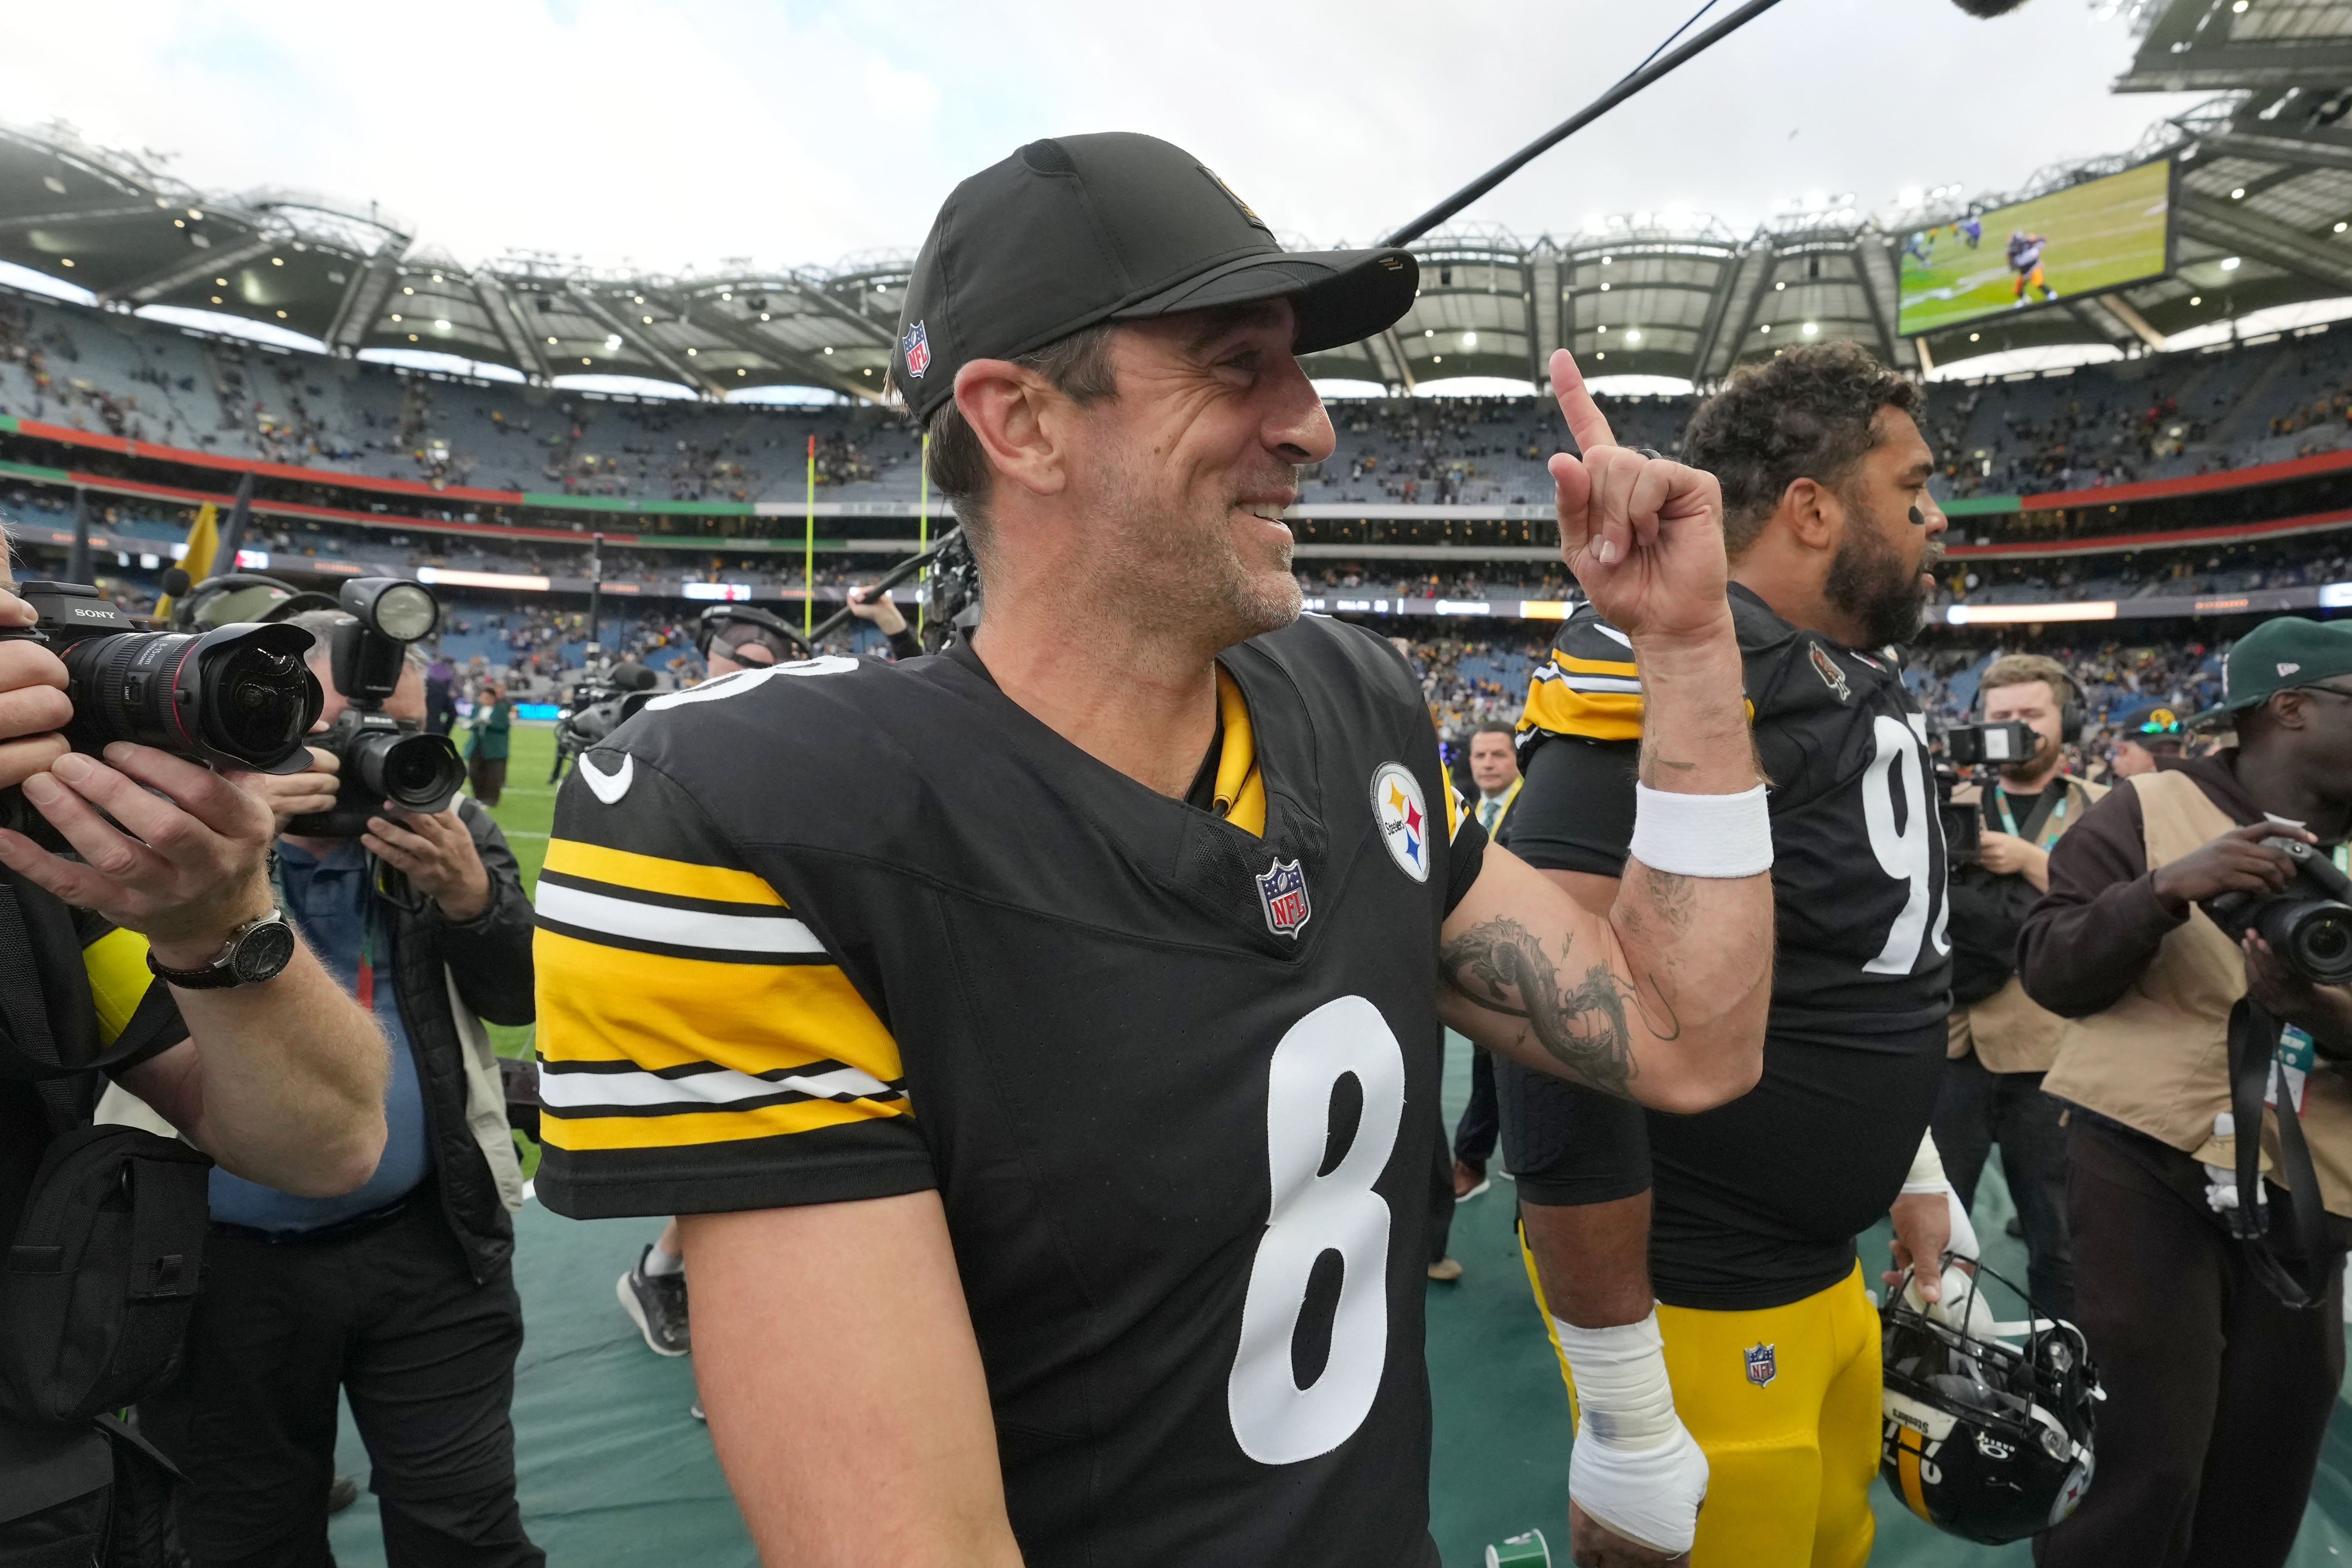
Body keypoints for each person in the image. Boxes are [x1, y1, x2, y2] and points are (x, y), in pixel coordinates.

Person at [534, 131, 1775, 1568]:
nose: (1312, 426)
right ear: (1021, 420)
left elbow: (1684, 1034)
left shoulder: (1349, 704)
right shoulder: (760, 815)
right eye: (1237, 365)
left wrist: (1686, 647)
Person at [1497, 341, 1962, 1568]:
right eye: (1911, 487)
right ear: (1811, 508)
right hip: (1701, 1285)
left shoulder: (1833, 672)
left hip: (1822, 1266)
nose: (1935, 518)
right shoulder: (1675, 659)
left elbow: (1853, 965)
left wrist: (1913, 1167)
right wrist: (1625, 1403)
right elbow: (1555, 1030)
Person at [126, 614, 542, 1568]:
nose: (373, 756)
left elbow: (522, 995)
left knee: (466, 1531)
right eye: (341, 732)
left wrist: (473, 899)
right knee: (246, 1536)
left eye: (399, 729)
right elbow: (110, 1027)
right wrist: (231, 860)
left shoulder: (448, 827)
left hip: (430, 1245)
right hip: (219, 1270)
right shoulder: (170, 829)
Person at [0, 576, 390, 1555]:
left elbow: (329, 1144)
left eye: (13, 610)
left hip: (41, 1483)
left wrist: (215, 921)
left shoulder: (38, 872)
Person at [2022, 616, 2352, 1568]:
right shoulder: (2143, 807)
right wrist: (2162, 892)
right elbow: (2049, 970)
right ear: (2290, 708)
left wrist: (2317, 1012)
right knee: (2140, 1457)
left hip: (2308, 1192)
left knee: (2268, 1458)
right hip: (2144, 1160)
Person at [1938, 654, 2103, 1318]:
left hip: (2053, 1055)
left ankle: (2061, 1357)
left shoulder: (2100, 807)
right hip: (1954, 1047)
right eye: (2000, 715)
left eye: (2030, 714)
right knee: (1936, 1231)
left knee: (2058, 1238)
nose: (2014, 728)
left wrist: (2032, 861)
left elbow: (2120, 907)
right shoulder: (1951, 803)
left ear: (2069, 722)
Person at [1452, 722, 1523, 1201]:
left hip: (1519, 957)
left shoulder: (1534, 806)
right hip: (1482, 958)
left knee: (1496, 1059)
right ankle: (1513, 1151)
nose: (1488, 764)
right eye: (1480, 755)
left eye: (1499, 754)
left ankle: (1471, 1159)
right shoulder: (1470, 810)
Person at [2110, 701, 2187, 778]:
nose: (2166, 760)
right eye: (2156, 751)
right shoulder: (2107, 784)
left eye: (2173, 751)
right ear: (2123, 750)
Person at [465, 682, 512, 807]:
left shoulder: (501, 709)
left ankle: (491, 800)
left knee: (493, 775)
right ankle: (478, 797)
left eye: (486, 698)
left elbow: (504, 726)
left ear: (492, 698)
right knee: (474, 772)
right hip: (477, 744)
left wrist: (489, 724)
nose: (483, 700)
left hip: (494, 747)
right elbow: (471, 721)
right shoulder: (477, 708)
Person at [2009, 229, 2058, 306]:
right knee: (2017, 290)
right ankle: (2024, 300)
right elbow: (2014, 266)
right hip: (2024, 272)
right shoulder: (2013, 251)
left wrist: (2036, 241)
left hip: (2034, 267)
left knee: (2039, 283)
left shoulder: (2028, 244)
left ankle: (2051, 294)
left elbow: (2042, 240)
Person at [425, 653, 457, 736]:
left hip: (412, 732)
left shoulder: (413, 686)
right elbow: (453, 713)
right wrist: (445, 732)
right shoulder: (440, 686)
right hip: (434, 732)